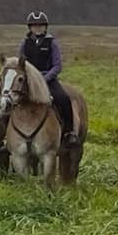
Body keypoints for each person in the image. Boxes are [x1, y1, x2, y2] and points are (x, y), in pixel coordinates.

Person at [20, 10, 77, 143]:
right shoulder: (24, 43)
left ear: (45, 27)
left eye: (40, 26)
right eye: (34, 26)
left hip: (48, 79)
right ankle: (8, 137)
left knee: (63, 99)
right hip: (29, 81)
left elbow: (57, 66)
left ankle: (69, 132)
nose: (37, 28)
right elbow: (20, 64)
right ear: (30, 28)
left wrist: (44, 79)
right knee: (12, 101)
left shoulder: (52, 43)